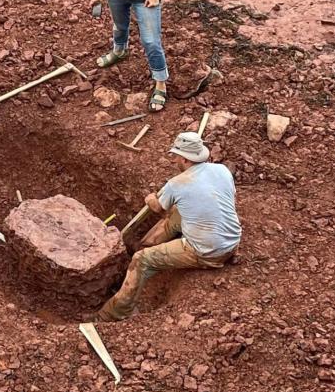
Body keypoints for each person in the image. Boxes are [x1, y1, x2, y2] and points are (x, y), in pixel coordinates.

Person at [97, 132, 241, 321]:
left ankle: (114, 313)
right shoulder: (222, 170)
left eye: (176, 156)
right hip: (232, 240)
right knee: (177, 211)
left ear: (184, 159)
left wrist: (150, 199)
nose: (174, 160)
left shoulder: (177, 184)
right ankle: (145, 246)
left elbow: (157, 207)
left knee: (142, 259)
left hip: (207, 251)